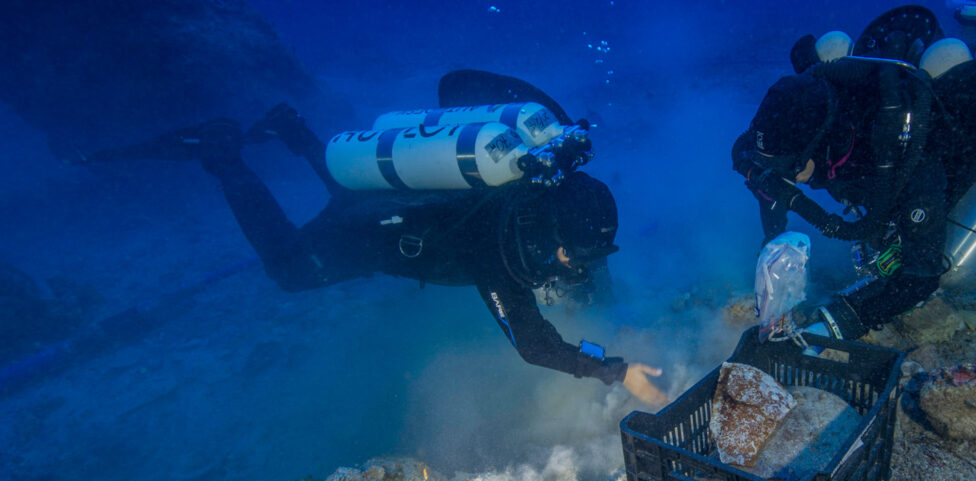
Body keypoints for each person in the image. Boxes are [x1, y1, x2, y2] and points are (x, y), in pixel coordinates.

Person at [75, 72, 670, 406]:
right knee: (289, 268)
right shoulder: (499, 253)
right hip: (379, 235)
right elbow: (536, 345)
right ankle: (222, 157)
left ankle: (295, 131)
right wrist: (617, 371)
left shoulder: (534, 180)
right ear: (556, 235)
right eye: (573, 256)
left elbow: (460, 84)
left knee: (347, 183)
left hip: (398, 191)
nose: (575, 266)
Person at [732, 5, 976, 340]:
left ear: (821, 147)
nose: (789, 177)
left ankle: (970, 37)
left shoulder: (899, 158)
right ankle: (958, 44)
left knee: (954, 264)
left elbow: (922, 277)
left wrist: (833, 325)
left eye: (792, 167)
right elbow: (766, 179)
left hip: (956, 144)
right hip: (884, 99)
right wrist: (772, 243)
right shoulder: (807, 112)